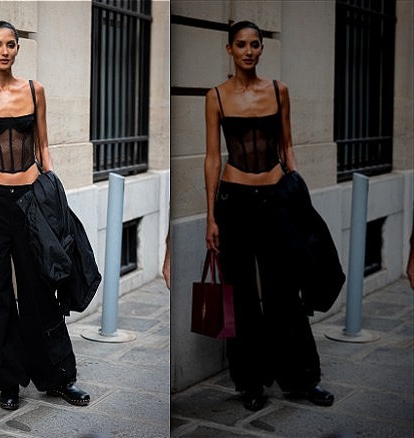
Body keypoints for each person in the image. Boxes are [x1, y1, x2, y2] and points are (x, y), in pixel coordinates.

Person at [203, 21, 334, 411]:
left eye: (255, 44)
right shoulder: (216, 96)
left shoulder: (279, 90)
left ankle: (301, 379)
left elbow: (288, 146)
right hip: (234, 201)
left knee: (285, 290)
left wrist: (297, 196)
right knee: (241, 293)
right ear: (229, 49)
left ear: (261, 49)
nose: (248, 51)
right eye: (241, 44)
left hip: (277, 198)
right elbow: (212, 158)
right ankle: (251, 383)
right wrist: (210, 217)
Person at [0, 21, 90, 411]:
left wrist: (53, 200)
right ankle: (8, 382)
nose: (4, 51)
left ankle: (58, 377)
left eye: (11, 44)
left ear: (18, 48)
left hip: (32, 201)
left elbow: (44, 148)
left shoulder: (35, 91)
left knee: (40, 289)